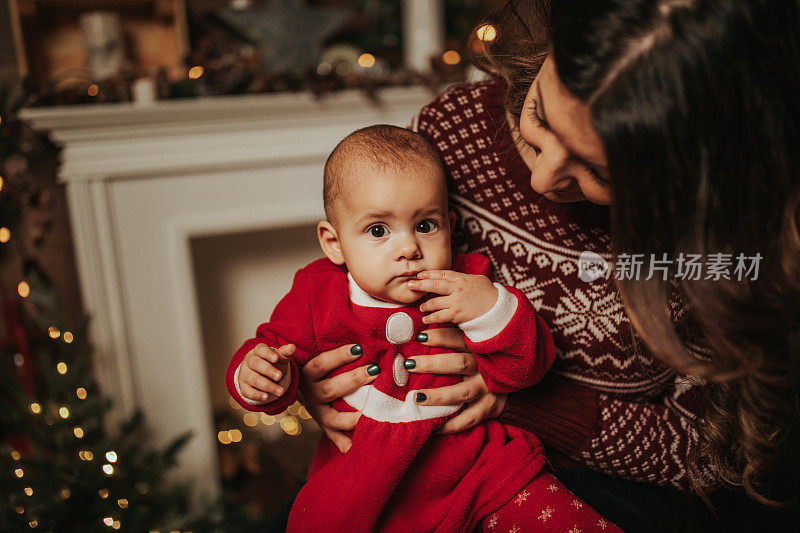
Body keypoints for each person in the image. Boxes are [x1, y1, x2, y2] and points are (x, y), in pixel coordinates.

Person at [293, 1, 800, 530]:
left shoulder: (722, 251)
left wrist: (518, 401)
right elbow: (365, 264)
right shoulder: (452, 129)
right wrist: (325, 372)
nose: (543, 179)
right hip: (426, 450)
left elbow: (709, 458)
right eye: (539, 114)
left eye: (597, 169)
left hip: (610, 480)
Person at [228, 125, 621, 532]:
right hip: (366, 486)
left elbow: (525, 369)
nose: (409, 248)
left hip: (483, 472)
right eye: (378, 230)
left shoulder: (468, 283)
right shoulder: (316, 294)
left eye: (426, 225)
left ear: (450, 226)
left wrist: (493, 309)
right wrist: (259, 375)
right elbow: (273, 357)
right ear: (334, 243)